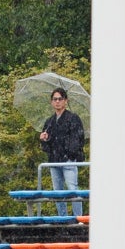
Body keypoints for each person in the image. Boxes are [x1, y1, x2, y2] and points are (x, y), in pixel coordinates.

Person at [39, 88, 86, 217]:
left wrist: (68, 154)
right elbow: (46, 146)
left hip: (68, 160)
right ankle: (62, 218)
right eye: (55, 99)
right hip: (54, 161)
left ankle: (78, 218)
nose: (58, 102)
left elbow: (78, 139)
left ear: (65, 101)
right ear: (51, 102)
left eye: (60, 99)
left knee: (72, 190)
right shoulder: (49, 122)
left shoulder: (73, 118)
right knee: (57, 192)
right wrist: (44, 139)